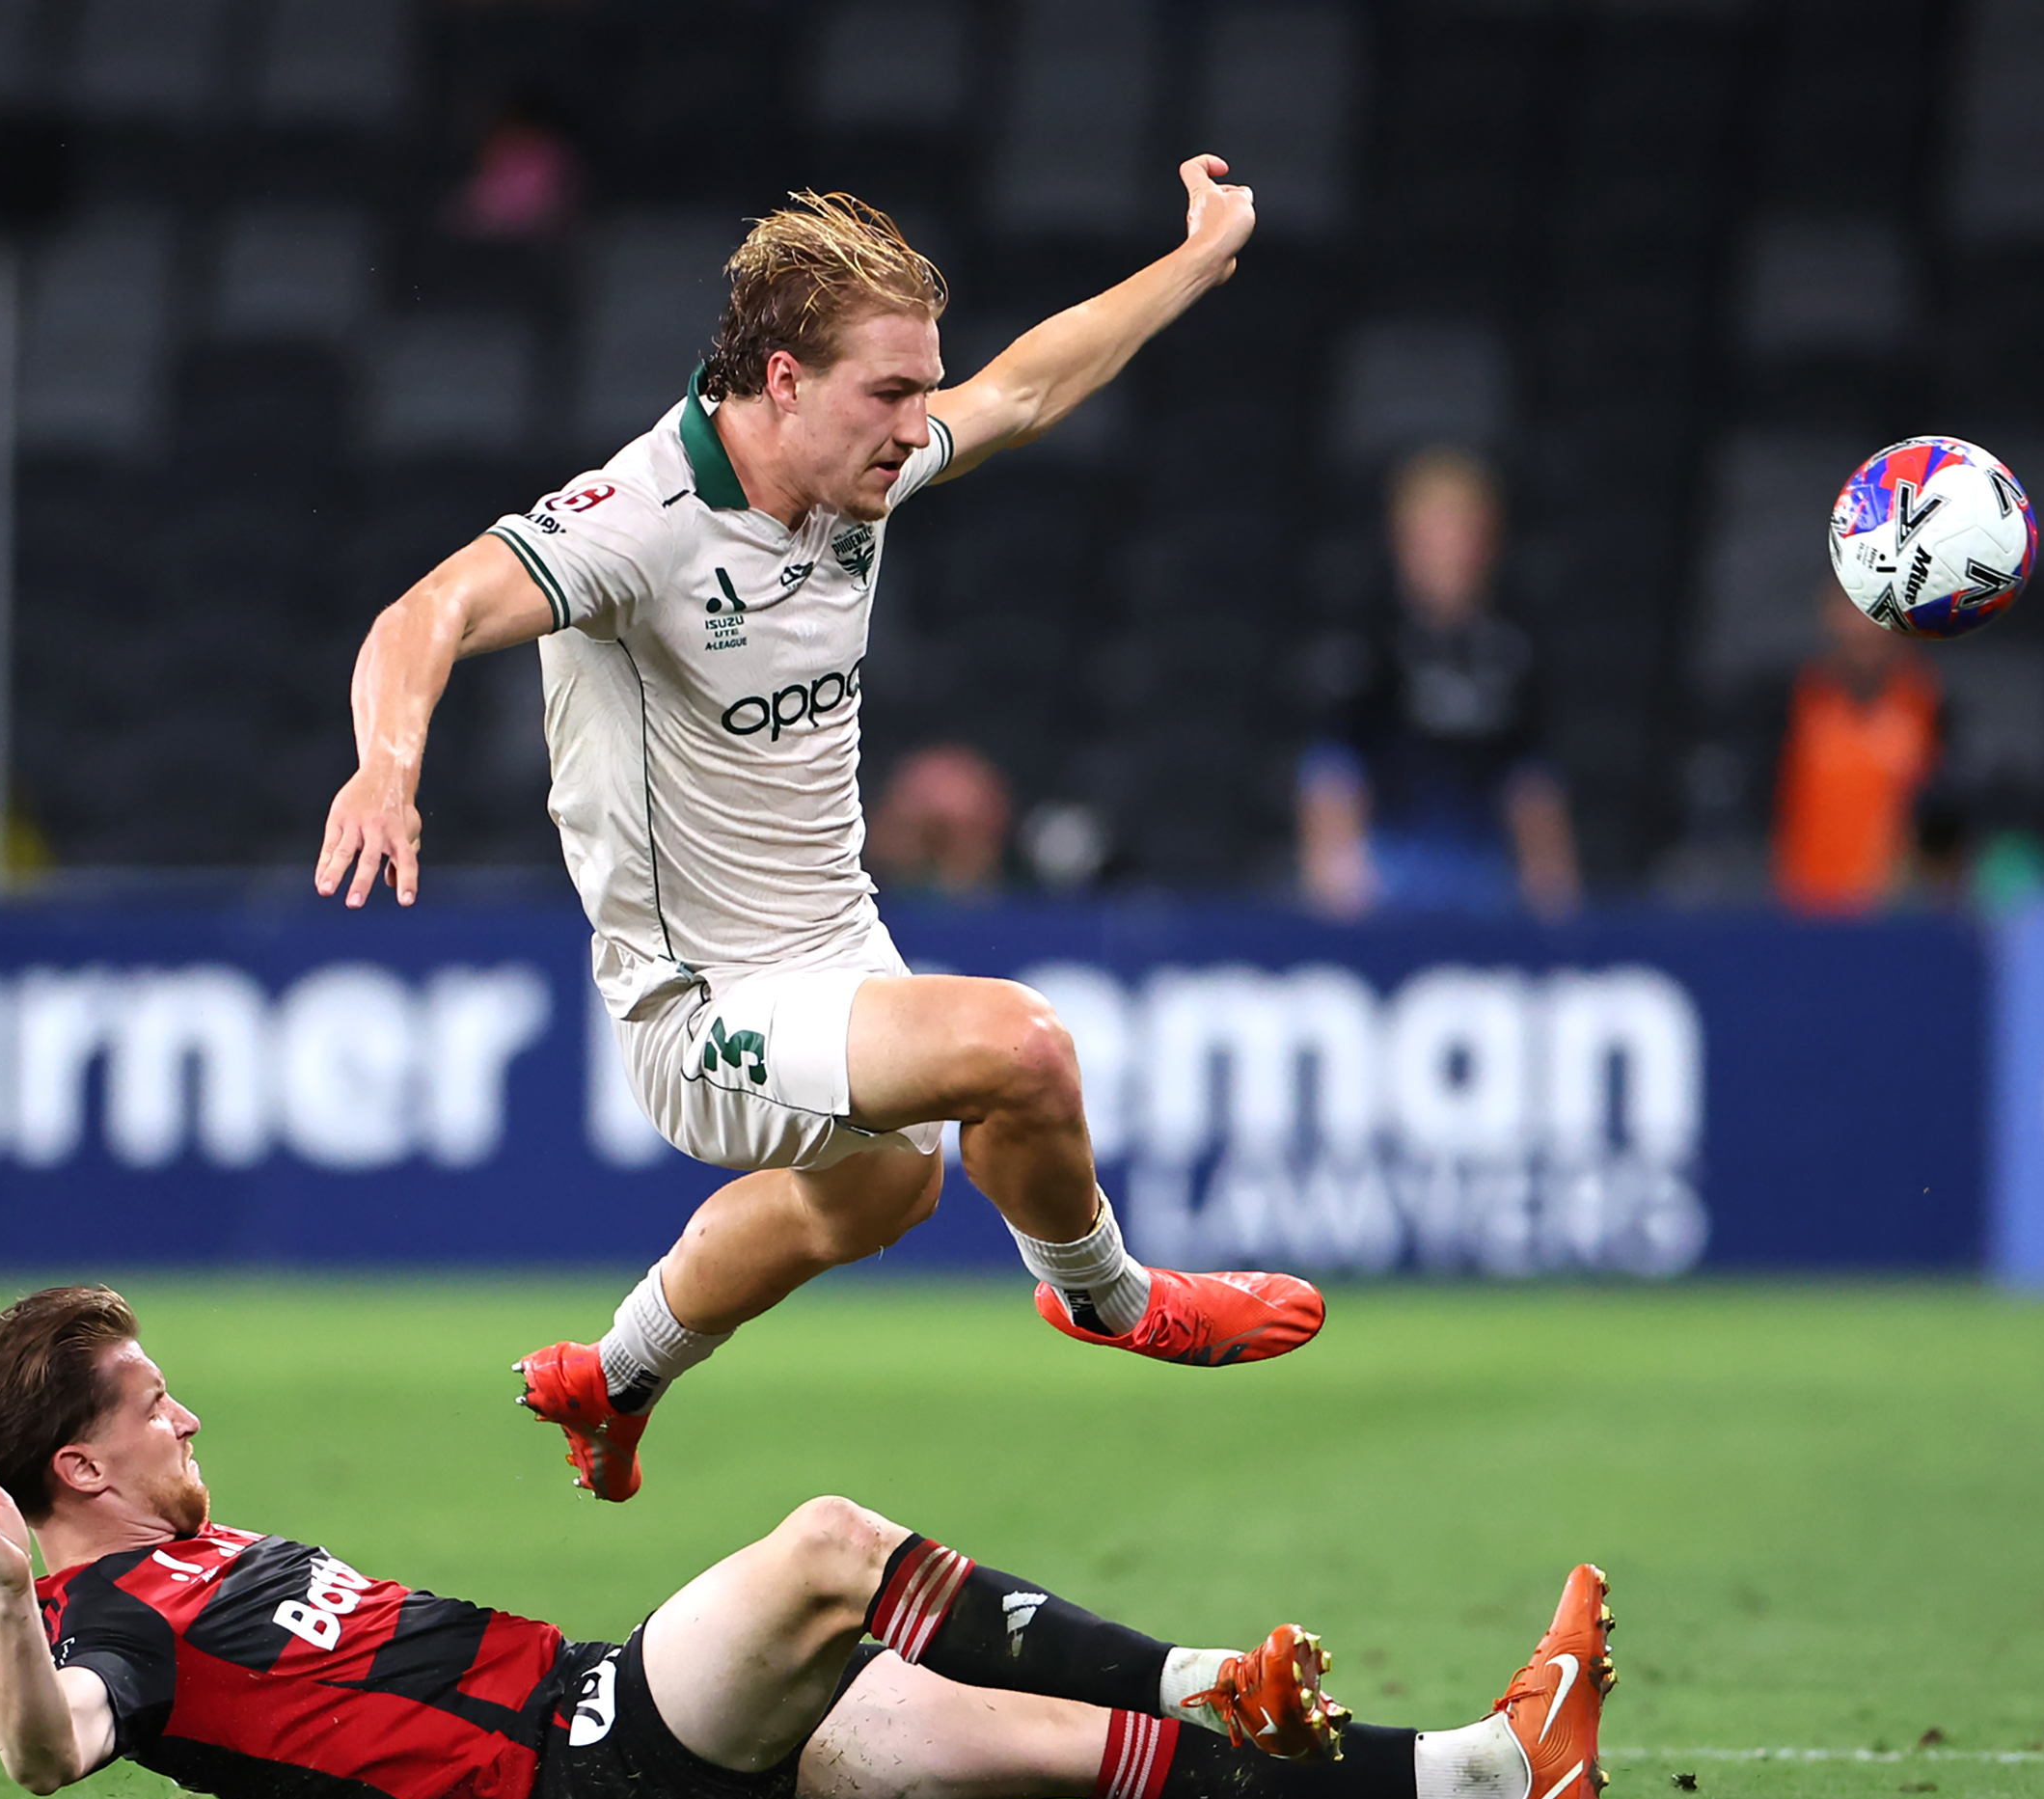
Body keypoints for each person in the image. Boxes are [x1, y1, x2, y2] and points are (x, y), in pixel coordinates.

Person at [317, 169, 1325, 1506]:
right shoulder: (639, 524)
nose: (918, 427)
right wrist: (386, 768)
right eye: (891, 394)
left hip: (838, 952)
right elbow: (426, 612)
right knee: (1022, 1050)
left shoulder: (854, 474)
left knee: (884, 1193)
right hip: (702, 1004)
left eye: (923, 391)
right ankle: (1109, 1296)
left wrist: (1196, 259)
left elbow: (1024, 391)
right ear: (784, 382)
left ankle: (612, 1377)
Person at [0, 1286, 1616, 1799]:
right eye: (153, 1405)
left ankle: (1489, 1773)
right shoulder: (107, 1625)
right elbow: (49, 1751)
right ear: (78, 1469)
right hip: (577, 1768)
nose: (186, 1416)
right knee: (826, 1548)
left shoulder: (196, 1550)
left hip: (611, 1735)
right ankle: (1201, 1671)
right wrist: (10, 1600)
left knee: (1059, 1741)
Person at [1296, 448, 1579, 920]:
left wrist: (1554, 895)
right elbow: (1332, 773)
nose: (1449, 549)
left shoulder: (1515, 645)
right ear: (1403, 540)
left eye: (1463, 532)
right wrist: (1338, 886)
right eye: (1433, 532)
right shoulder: (1368, 638)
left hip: (1483, 877)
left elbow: (1531, 782)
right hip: (1391, 870)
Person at [1771, 578, 1942, 915]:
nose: (1861, 625)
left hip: (1889, 912)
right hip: (1804, 904)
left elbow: (1937, 815)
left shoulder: (1925, 701)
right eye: (1851, 607)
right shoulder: (1798, 698)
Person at [863, 742, 1011, 896]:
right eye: (925, 835)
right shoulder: (855, 904)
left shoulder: (1021, 908)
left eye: (949, 837)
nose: (934, 860)